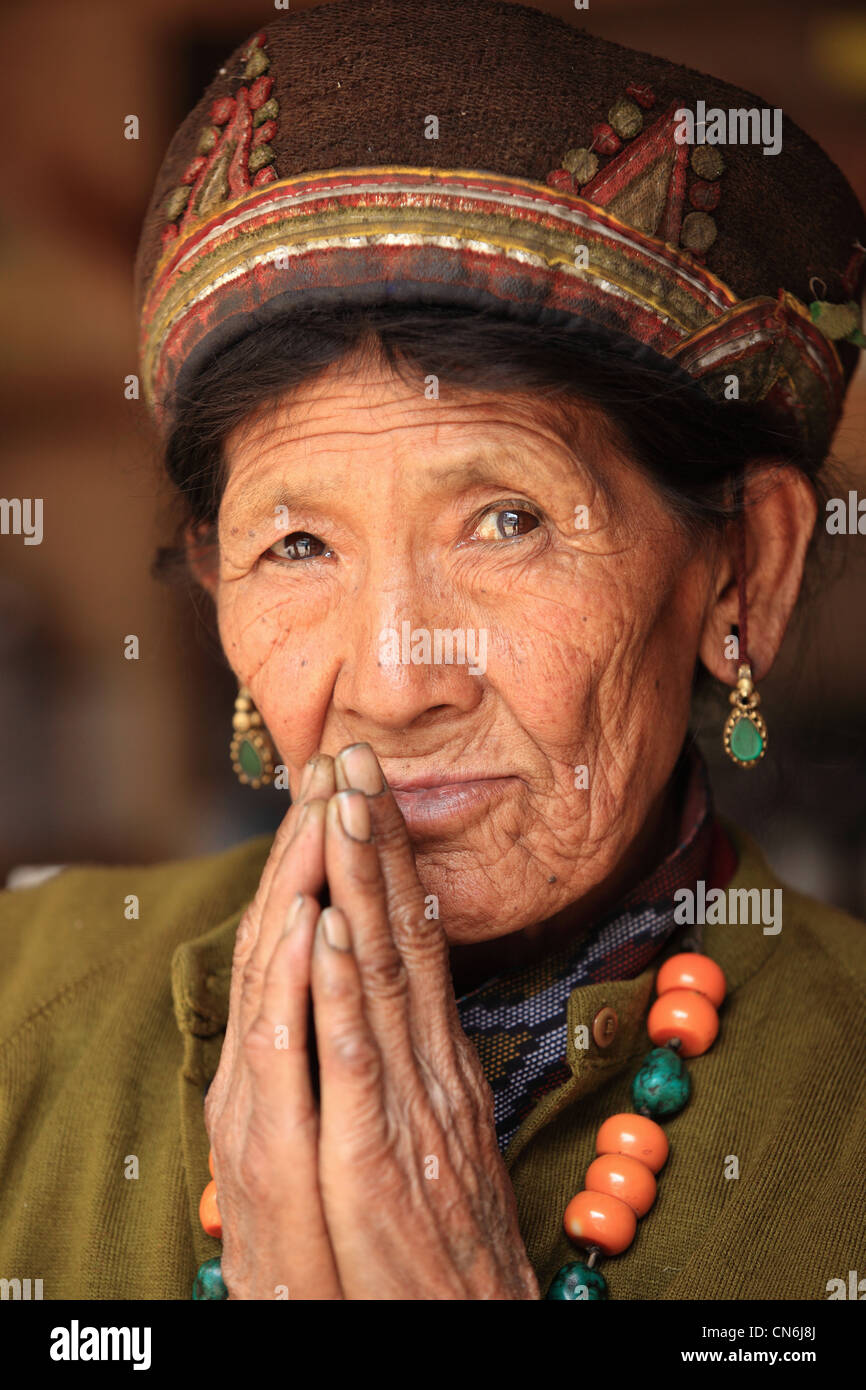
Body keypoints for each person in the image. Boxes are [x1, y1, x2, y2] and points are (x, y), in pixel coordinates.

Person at [1, 0, 864, 1301]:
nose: (395, 686)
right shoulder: (23, 997)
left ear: (742, 563)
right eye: (297, 546)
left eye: (506, 521)